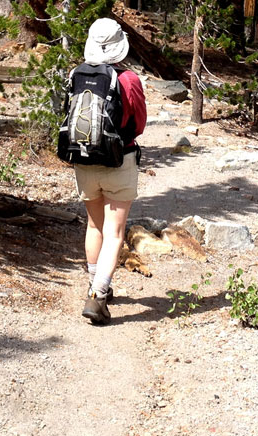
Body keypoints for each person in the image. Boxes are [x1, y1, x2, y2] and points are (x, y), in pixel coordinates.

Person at [75, 18, 146, 325]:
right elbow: (138, 124)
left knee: (94, 226)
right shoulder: (129, 79)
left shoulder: (76, 74)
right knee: (114, 233)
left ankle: (95, 283)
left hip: (84, 159)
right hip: (120, 159)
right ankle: (98, 295)